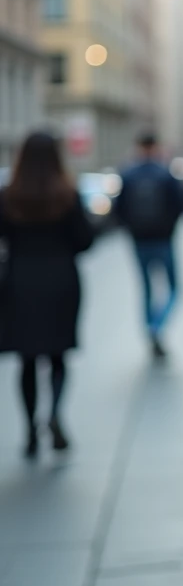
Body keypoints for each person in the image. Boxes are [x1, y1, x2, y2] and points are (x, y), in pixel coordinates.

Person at [0, 132, 94, 458]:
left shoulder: (9, 196)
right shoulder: (67, 194)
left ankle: (29, 430)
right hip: (60, 281)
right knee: (58, 355)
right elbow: (85, 240)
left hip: (20, 282)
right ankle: (54, 413)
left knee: (26, 360)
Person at [115, 133, 183, 360]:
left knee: (146, 288)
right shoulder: (165, 173)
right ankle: (157, 325)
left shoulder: (128, 174)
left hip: (139, 241)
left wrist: (132, 230)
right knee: (173, 287)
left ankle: (149, 327)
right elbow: (179, 205)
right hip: (163, 240)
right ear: (155, 147)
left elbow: (119, 210)